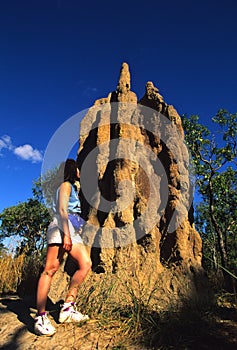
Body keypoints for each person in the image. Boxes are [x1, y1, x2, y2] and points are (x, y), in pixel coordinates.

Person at [34, 159, 92, 336]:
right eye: (78, 169)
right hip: (61, 226)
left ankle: (67, 307)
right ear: (73, 170)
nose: (80, 172)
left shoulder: (72, 188)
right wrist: (66, 234)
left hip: (70, 228)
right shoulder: (66, 185)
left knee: (86, 264)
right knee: (50, 269)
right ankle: (40, 317)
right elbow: (61, 210)